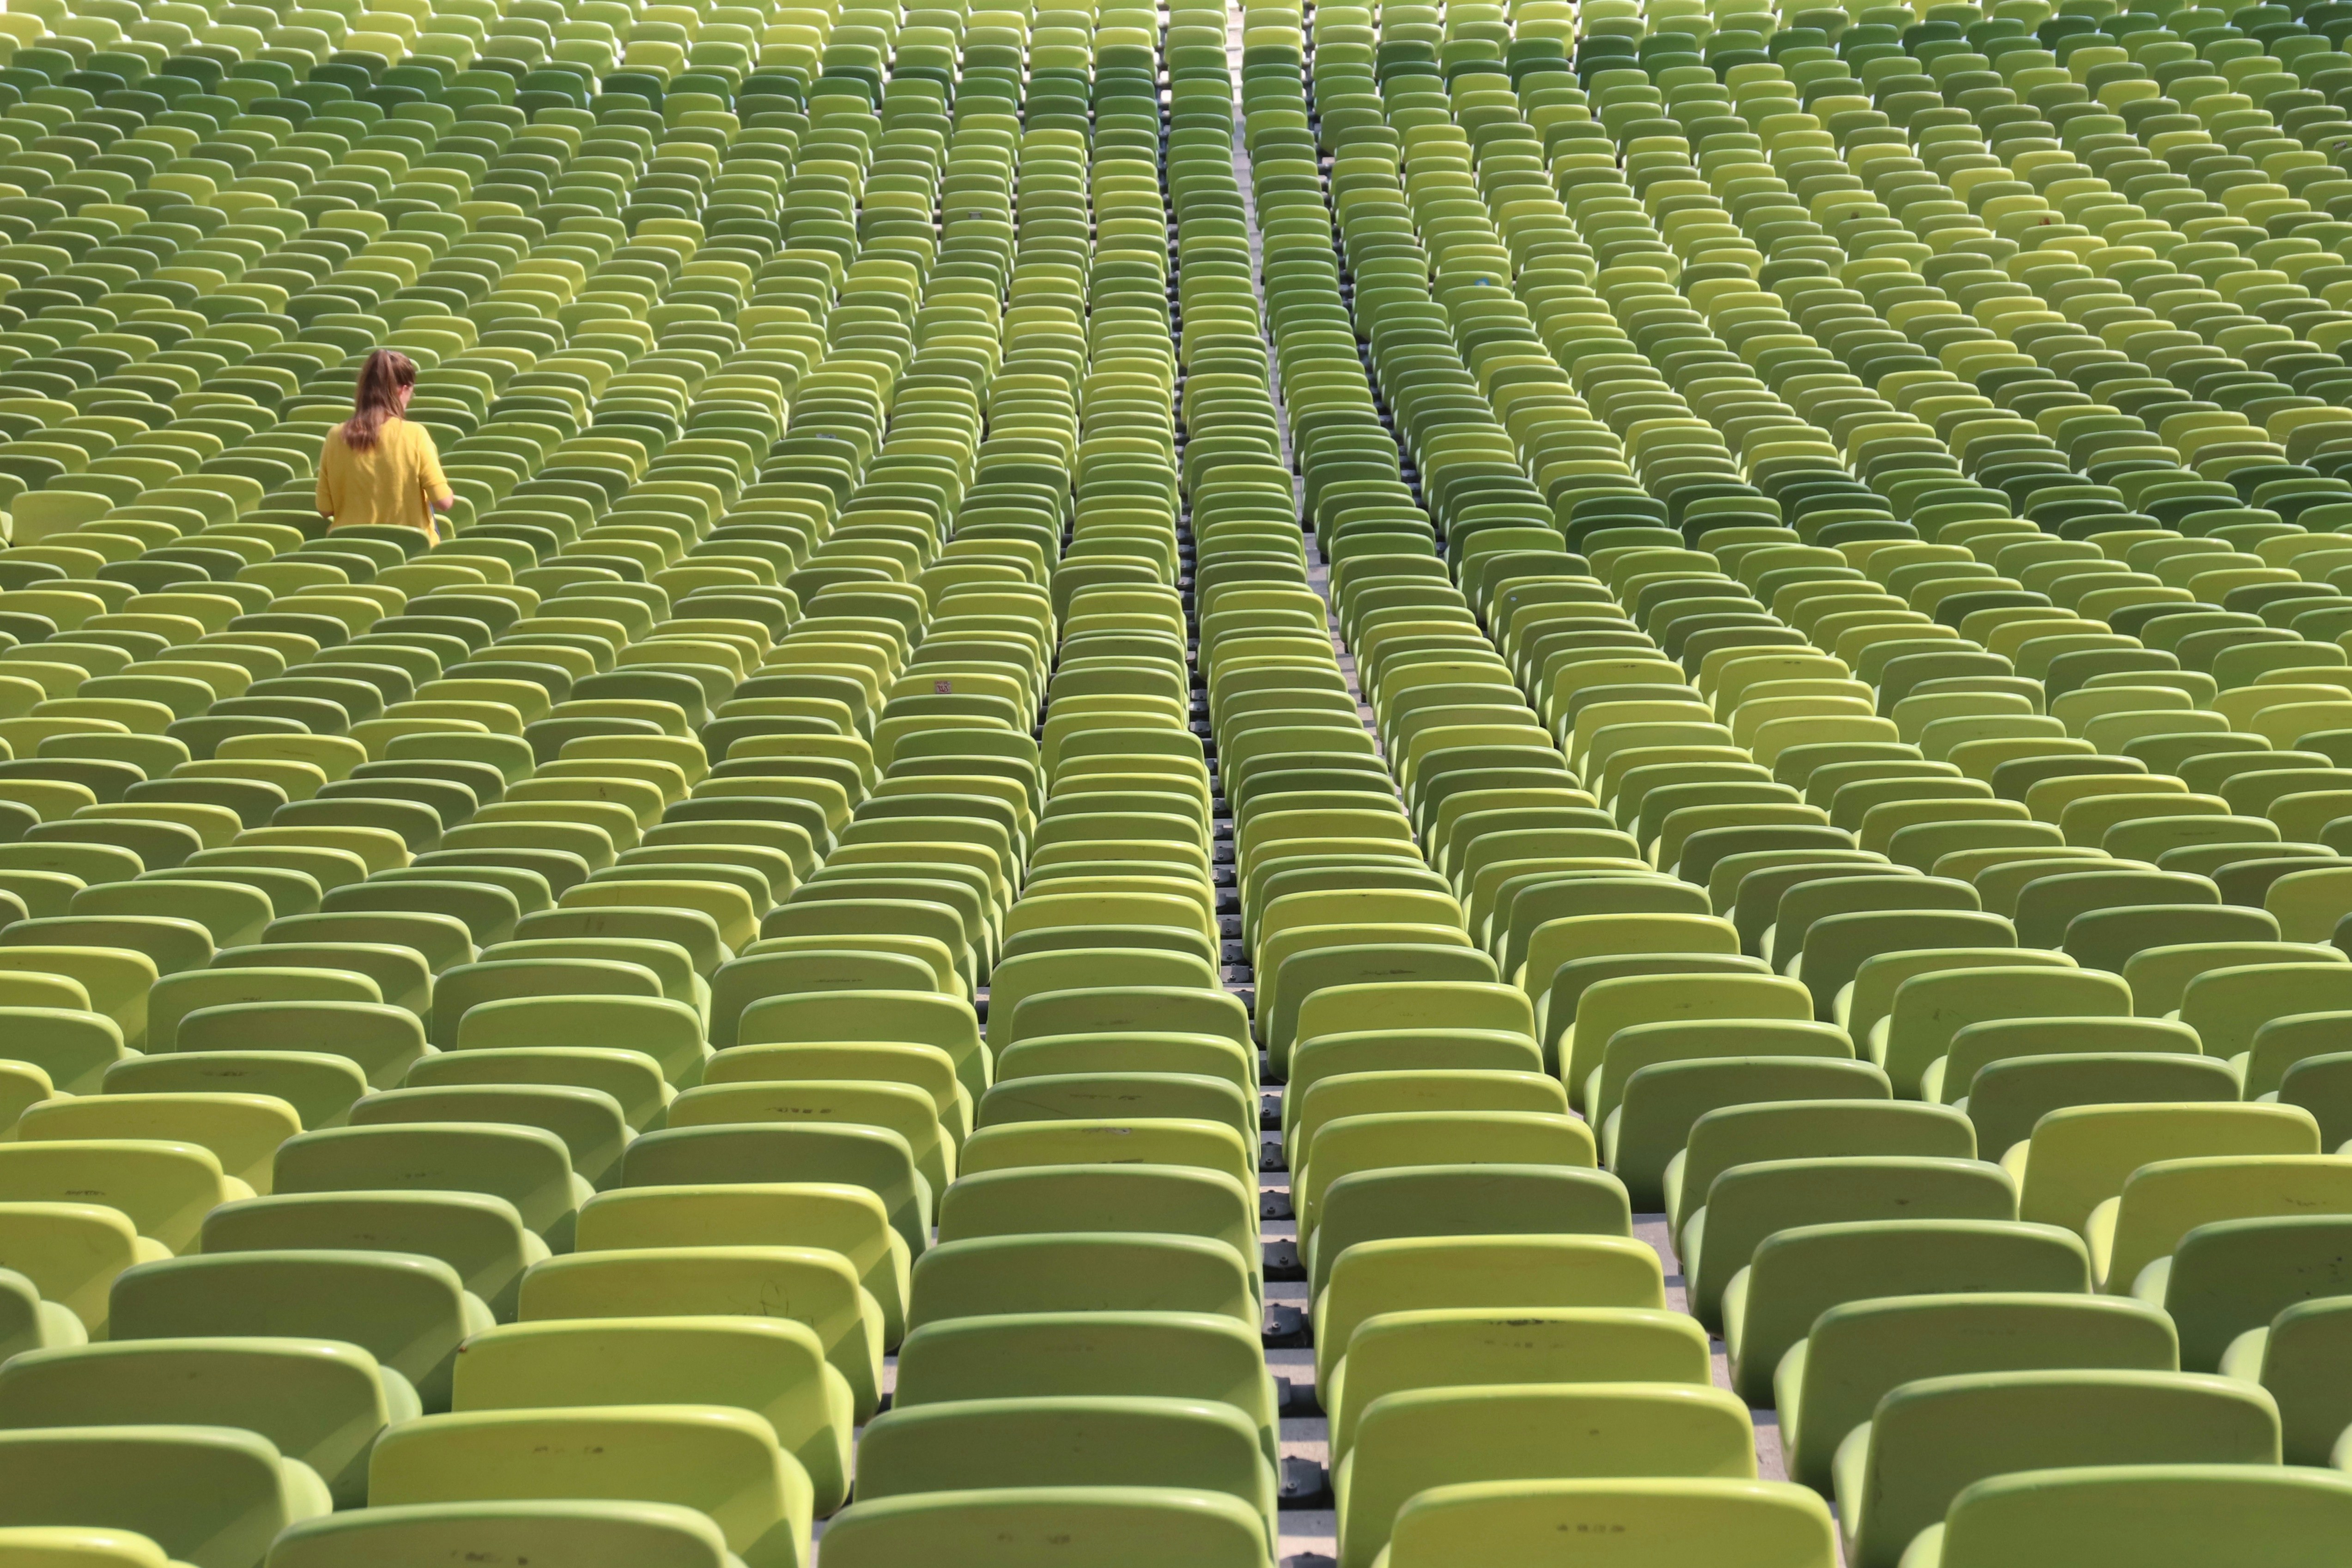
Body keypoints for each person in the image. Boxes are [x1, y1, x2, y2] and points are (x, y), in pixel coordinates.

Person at [313, 348, 456, 542]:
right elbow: (443, 501)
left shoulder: (335, 436)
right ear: (403, 389)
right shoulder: (416, 434)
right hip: (410, 552)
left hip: (349, 549)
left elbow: (324, 508)